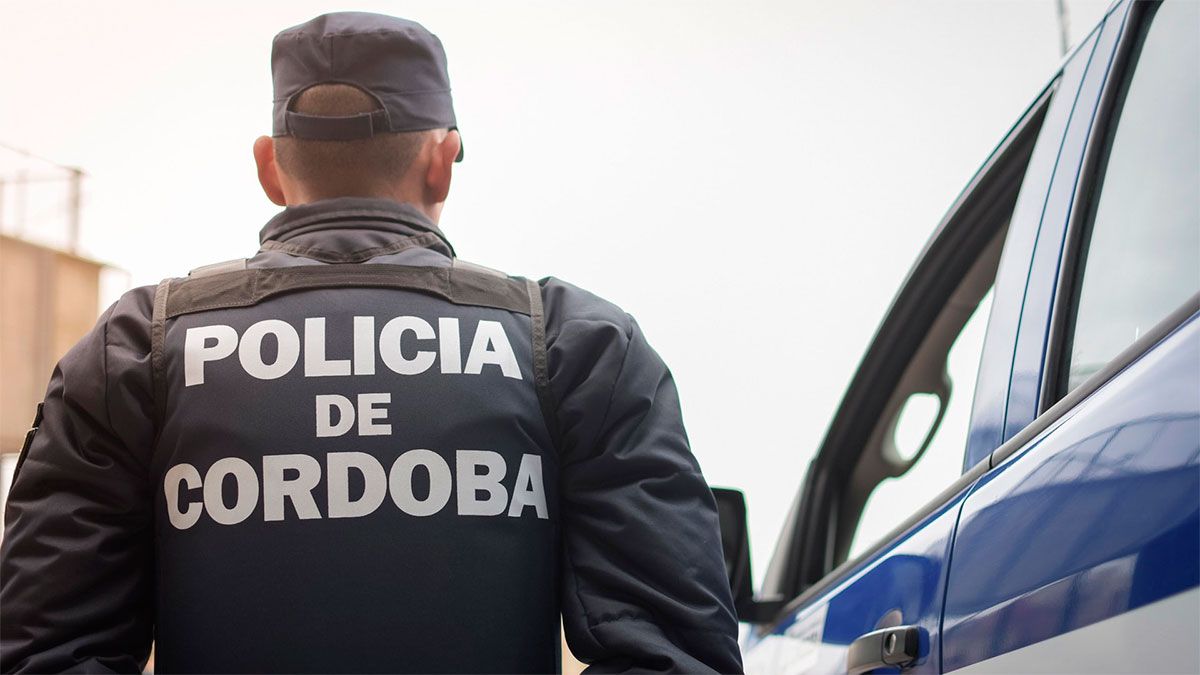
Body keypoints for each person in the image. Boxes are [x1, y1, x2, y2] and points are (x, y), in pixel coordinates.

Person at [0, 12, 742, 674]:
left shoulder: (139, 347)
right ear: (442, 160)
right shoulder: (578, 344)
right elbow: (675, 654)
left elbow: (45, 651)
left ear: (269, 167)